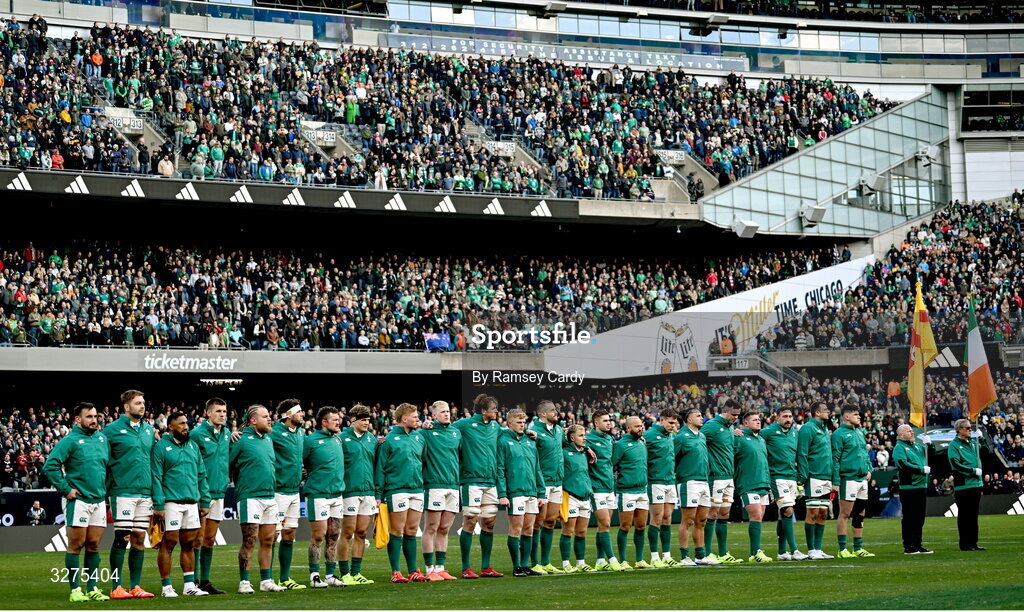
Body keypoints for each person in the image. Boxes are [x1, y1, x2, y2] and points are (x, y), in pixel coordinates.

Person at [42, 402, 111, 602]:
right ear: (78, 419)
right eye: (88, 416)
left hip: (98, 500)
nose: (94, 420)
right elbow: (50, 466)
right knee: (76, 545)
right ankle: (75, 590)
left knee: (94, 545)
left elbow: (106, 467)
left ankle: (93, 588)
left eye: (95, 416)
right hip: (78, 500)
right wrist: (65, 489)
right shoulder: (69, 441)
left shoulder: (101, 438)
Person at [151, 411, 211, 597]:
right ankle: (166, 587)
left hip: (192, 502)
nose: (186, 426)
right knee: (168, 543)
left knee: (189, 544)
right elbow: (156, 476)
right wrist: (159, 504)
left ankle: (189, 586)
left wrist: (205, 499)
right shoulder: (161, 447)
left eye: (186, 423)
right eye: (181, 423)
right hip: (171, 503)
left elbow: (201, 475)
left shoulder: (193, 446)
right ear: (170, 427)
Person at [105, 390, 156, 599]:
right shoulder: (111, 430)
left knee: (139, 538)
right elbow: (103, 460)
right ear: (126, 407)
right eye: (137, 403)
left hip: (145, 491)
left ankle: (135, 586)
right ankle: (116, 586)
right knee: (122, 536)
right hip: (122, 490)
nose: (142, 406)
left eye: (143, 402)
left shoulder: (149, 430)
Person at [230, 404, 284, 593]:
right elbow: (227, 463)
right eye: (265, 416)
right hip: (250, 496)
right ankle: (244, 582)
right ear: (253, 420)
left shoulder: (268, 439)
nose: (270, 419)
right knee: (250, 540)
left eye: (269, 416)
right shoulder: (240, 439)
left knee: (269, 540)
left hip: (270, 496)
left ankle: (266, 581)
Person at [375, 402, 429, 583]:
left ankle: (414, 570)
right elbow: (380, 468)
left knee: (412, 530)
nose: (418, 419)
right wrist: (378, 494)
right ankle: (396, 572)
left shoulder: (419, 438)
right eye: (414, 417)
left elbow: (424, 462)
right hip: (397, 489)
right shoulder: (389, 439)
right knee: (397, 531)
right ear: (404, 419)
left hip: (417, 489)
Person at [452, 394, 503, 578]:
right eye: (494, 409)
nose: (497, 412)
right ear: (483, 411)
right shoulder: (464, 424)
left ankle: (486, 567)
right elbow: (446, 430)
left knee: (489, 523)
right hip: (471, 480)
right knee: (471, 521)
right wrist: (428, 425)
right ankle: (466, 568)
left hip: (491, 481)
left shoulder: (496, 427)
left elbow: (508, 435)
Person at [497, 408, 546, 577]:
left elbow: (537, 468)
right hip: (515, 492)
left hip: (532, 491)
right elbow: (500, 469)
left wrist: (541, 492)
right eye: (518, 422)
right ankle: (516, 566)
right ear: (509, 423)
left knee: (529, 529)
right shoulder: (503, 441)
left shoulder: (530, 441)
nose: (522, 425)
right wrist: (502, 494)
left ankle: (525, 566)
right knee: (515, 529)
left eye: (523, 422)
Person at [190, 398, 230, 595]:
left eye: (224, 411)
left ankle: (205, 581)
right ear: (208, 413)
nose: (222, 414)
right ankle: (193, 581)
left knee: (209, 538)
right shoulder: (196, 434)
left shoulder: (227, 433)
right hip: (201, 494)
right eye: (218, 411)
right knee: (197, 539)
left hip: (219, 493)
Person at [303, 406, 346, 588]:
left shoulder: (337, 439)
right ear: (324, 422)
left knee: (334, 535)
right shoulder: (310, 441)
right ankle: (314, 575)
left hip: (337, 494)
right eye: (335, 420)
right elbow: (300, 462)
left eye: (339, 419)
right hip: (317, 494)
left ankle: (330, 574)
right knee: (319, 536)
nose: (339, 422)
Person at [269, 399, 307, 589]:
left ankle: (285, 578)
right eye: (299, 412)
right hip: (278, 491)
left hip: (294, 491)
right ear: (289, 415)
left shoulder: (300, 433)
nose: (303, 415)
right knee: (273, 534)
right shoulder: (273, 432)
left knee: (290, 532)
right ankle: (267, 579)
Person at [421, 401, 461, 581]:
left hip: (453, 485)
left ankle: (441, 567)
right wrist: (422, 425)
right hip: (435, 485)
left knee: (444, 528)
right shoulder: (425, 432)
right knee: (431, 527)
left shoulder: (455, 432)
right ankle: (430, 570)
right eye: (442, 412)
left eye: (448, 411)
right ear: (434, 416)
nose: (447, 414)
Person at [674, 407, 718, 566]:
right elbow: (673, 458)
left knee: (702, 520)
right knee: (688, 520)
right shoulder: (681, 437)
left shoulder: (702, 436)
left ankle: (700, 556)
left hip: (704, 481)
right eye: (698, 416)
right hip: (688, 482)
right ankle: (685, 556)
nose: (702, 418)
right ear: (689, 420)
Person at [339, 405, 378, 585]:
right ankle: (344, 573)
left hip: (368, 491)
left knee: (361, 532)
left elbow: (376, 466)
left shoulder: (372, 440)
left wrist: (377, 492)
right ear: (352, 420)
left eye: (368, 419)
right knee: (347, 532)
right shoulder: (341, 438)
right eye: (362, 419)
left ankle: (356, 573)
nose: (366, 422)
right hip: (349, 491)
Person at [700, 398, 742, 563]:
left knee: (724, 514)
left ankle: (723, 553)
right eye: (733, 415)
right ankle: (708, 553)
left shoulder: (729, 427)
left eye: (737, 415)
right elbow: (699, 441)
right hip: (715, 477)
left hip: (728, 477)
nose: (735, 418)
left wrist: (734, 429)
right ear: (724, 411)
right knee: (712, 513)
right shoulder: (711, 426)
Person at [762, 407, 807, 561]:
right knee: (788, 510)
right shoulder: (768, 432)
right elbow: (754, 436)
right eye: (785, 416)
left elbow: (800, 454)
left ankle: (782, 552)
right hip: (776, 477)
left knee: (784, 513)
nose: (788, 419)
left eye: (790, 416)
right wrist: (740, 432)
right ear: (777, 418)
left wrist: (801, 475)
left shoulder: (795, 433)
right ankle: (794, 550)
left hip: (791, 476)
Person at [832, 404, 875, 558]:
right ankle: (842, 549)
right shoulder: (838, 434)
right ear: (847, 416)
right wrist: (836, 481)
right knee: (845, 513)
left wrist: (869, 468)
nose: (859, 417)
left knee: (860, 513)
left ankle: (858, 548)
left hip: (862, 479)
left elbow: (864, 453)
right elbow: (835, 458)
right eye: (856, 414)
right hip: (848, 478)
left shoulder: (859, 432)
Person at [530, 400, 566, 574]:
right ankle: (534, 562)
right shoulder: (534, 431)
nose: (556, 412)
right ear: (542, 414)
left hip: (557, 482)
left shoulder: (559, 431)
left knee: (551, 522)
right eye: (552, 410)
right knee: (537, 523)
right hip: (542, 483)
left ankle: (546, 562)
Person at [733, 411, 773, 563]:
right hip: (747, 482)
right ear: (745, 423)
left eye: (759, 420)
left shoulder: (761, 439)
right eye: (755, 420)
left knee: (759, 516)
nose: (758, 422)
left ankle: (753, 553)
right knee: (755, 514)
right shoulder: (739, 438)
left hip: (763, 482)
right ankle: (756, 552)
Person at [797, 401, 835, 560]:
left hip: (826, 475)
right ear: (817, 413)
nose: (829, 412)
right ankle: (811, 549)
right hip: (813, 475)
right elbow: (802, 453)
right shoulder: (807, 428)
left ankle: (818, 549)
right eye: (826, 410)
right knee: (812, 511)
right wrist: (803, 475)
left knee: (823, 512)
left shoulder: (825, 429)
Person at [587, 410, 623, 571]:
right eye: (605, 420)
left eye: (610, 420)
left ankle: (600, 560)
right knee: (605, 523)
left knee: (603, 527)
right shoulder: (588, 438)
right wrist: (586, 447)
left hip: (609, 487)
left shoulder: (609, 439)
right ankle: (613, 559)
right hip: (597, 487)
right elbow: (569, 441)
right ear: (596, 423)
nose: (609, 423)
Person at [643, 408, 679, 568]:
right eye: (670, 422)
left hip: (670, 481)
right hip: (655, 481)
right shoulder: (649, 436)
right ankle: (654, 556)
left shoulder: (671, 436)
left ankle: (666, 556)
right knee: (656, 518)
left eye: (675, 423)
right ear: (662, 420)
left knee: (667, 518)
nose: (673, 426)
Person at [611, 415, 647, 571]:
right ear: (628, 429)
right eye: (637, 426)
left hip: (642, 490)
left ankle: (639, 559)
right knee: (625, 526)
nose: (641, 428)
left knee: (641, 526)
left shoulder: (642, 443)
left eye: (641, 425)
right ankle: (623, 560)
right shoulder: (619, 445)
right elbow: (612, 465)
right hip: (626, 491)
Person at [561, 425, 595, 573]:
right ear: (572, 438)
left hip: (585, 497)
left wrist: (587, 448)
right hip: (570, 496)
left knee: (581, 532)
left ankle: (581, 562)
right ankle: (566, 563)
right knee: (568, 531)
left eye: (584, 435)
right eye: (581, 435)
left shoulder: (584, 453)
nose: (584, 438)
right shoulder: (564, 452)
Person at [893, 424, 932, 554]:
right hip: (909, 487)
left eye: (911, 431)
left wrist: (930, 445)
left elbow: (931, 455)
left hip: (921, 486)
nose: (912, 433)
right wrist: (921, 469)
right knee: (910, 517)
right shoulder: (899, 448)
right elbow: (903, 464)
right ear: (901, 434)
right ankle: (909, 546)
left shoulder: (917, 446)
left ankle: (917, 544)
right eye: (909, 431)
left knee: (919, 518)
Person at [947, 419, 984, 551]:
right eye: (968, 428)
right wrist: (973, 471)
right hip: (964, 486)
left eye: (971, 428)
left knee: (973, 515)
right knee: (964, 515)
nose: (970, 430)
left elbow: (986, 451)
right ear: (960, 430)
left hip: (976, 484)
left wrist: (982, 438)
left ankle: (973, 543)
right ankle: (965, 544)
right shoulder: (954, 445)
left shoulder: (973, 443)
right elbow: (955, 465)